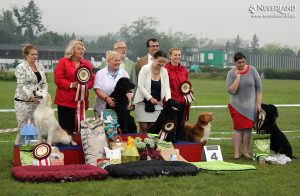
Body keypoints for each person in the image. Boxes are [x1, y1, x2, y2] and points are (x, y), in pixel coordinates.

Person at [226, 52, 262, 159]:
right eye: (239, 62)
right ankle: (236, 154)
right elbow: (231, 91)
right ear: (235, 62)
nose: (241, 64)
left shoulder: (252, 70)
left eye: (243, 62)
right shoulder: (231, 73)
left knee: (247, 129)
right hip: (237, 106)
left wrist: (258, 104)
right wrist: (238, 78)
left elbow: (259, 88)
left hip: (251, 106)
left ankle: (245, 152)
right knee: (238, 129)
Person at [54, 39, 95, 134]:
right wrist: (72, 85)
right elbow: (58, 79)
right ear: (72, 50)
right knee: (66, 129)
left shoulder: (87, 64)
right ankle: (66, 148)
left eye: (83, 49)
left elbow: (92, 79)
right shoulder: (63, 62)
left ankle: (78, 148)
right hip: (65, 102)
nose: (82, 51)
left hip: (81, 102)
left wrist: (84, 86)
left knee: (80, 130)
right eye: (78, 49)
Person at [14, 44, 48, 144]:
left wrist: (43, 95)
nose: (35, 56)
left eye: (36, 54)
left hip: (38, 102)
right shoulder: (20, 67)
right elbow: (21, 84)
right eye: (32, 54)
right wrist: (31, 96)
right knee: (23, 128)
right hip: (23, 102)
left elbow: (44, 83)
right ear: (26, 55)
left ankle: (32, 152)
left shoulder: (39, 65)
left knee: (35, 127)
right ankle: (17, 154)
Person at [133, 50, 171, 133]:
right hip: (142, 102)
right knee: (144, 127)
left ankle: (152, 145)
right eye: (159, 61)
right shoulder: (145, 69)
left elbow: (167, 87)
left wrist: (168, 101)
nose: (161, 64)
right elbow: (140, 86)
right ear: (153, 59)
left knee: (153, 128)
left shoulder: (164, 71)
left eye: (163, 62)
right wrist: (150, 98)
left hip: (157, 104)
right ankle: (141, 144)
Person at [165, 47, 190, 141]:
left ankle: (181, 148)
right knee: (171, 125)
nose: (178, 57)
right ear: (170, 56)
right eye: (175, 55)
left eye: (179, 55)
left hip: (183, 102)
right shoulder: (165, 69)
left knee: (181, 125)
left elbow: (186, 84)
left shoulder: (184, 69)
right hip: (172, 102)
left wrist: (189, 90)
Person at [94, 51, 129, 115]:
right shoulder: (100, 73)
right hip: (102, 109)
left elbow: (129, 90)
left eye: (119, 60)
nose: (118, 62)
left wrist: (129, 102)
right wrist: (107, 99)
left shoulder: (124, 73)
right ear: (109, 61)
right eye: (116, 60)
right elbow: (97, 90)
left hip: (120, 109)